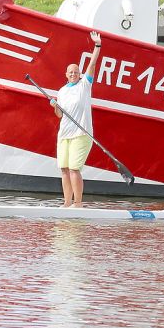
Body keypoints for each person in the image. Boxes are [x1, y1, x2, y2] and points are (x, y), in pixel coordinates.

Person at [50, 30, 102, 208]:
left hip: (81, 133)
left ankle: (78, 203)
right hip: (64, 134)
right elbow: (60, 115)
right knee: (64, 169)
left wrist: (97, 45)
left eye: (76, 72)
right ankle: (66, 203)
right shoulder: (62, 91)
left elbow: (93, 64)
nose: (73, 74)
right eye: (70, 72)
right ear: (66, 75)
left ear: (80, 74)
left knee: (74, 169)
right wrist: (56, 107)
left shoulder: (84, 85)